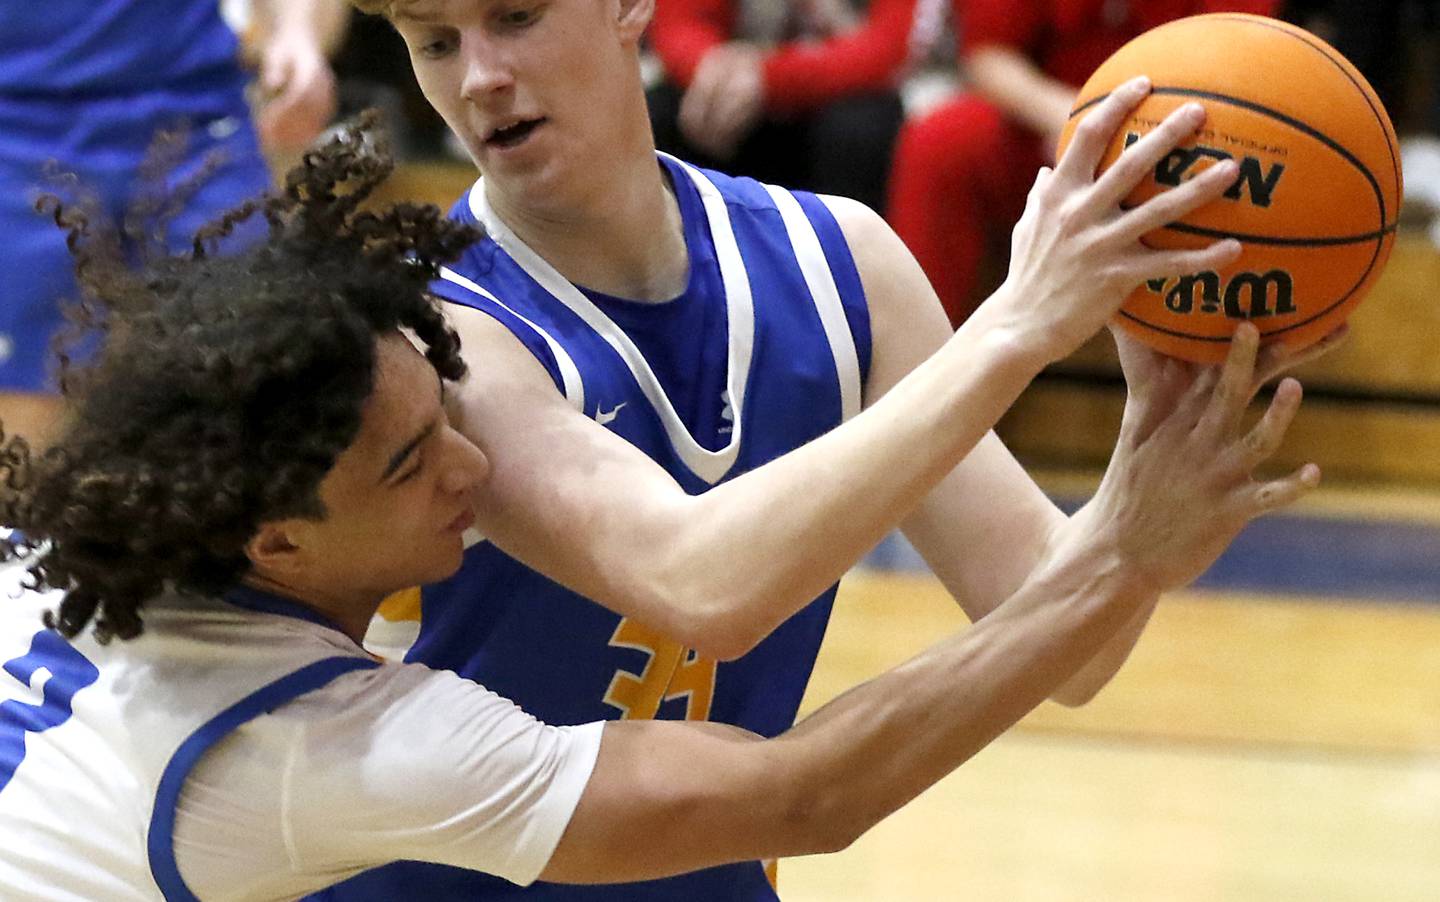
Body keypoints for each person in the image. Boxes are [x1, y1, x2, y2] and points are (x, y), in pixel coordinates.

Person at [0, 117, 1317, 902]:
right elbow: (808, 788)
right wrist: (1110, 530)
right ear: (276, 541)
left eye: (445, 421)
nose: (474, 471)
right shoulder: (311, 746)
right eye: (411, 466)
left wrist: (1123, 519)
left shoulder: (60, 549)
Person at [327, 1, 1339, 898]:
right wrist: (1017, 322)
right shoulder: (428, 330)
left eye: (515, 16)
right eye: (434, 41)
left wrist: (1143, 470)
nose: (479, 76)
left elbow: (1064, 632)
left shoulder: (842, 262)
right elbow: (696, 581)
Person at [0, 0, 345, 449]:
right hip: (16, 128)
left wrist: (298, 34)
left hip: (197, 118)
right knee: (28, 424)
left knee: (255, 395)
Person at [886, 0, 1278, 326]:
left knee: (1243, 168)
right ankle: (915, 368)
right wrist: (1077, 120)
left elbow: (1240, 72)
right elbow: (988, 55)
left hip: (1186, 134)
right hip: (1051, 122)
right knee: (939, 141)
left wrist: (1134, 134)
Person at [645, 0, 938, 211]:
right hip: (737, 90)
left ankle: (845, 277)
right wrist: (712, 68)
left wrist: (768, 78)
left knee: (859, 130)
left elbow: (890, 47)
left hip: (840, 94)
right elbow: (679, 23)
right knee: (661, 113)